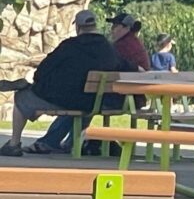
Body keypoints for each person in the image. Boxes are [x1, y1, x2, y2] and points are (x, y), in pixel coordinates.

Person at [1, 9, 121, 156]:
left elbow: (44, 69)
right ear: (95, 25)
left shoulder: (69, 46)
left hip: (64, 100)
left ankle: (14, 144)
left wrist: (38, 84)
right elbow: (122, 65)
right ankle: (65, 143)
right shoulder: (108, 48)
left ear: (78, 27)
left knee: (21, 96)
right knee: (79, 100)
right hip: (92, 102)